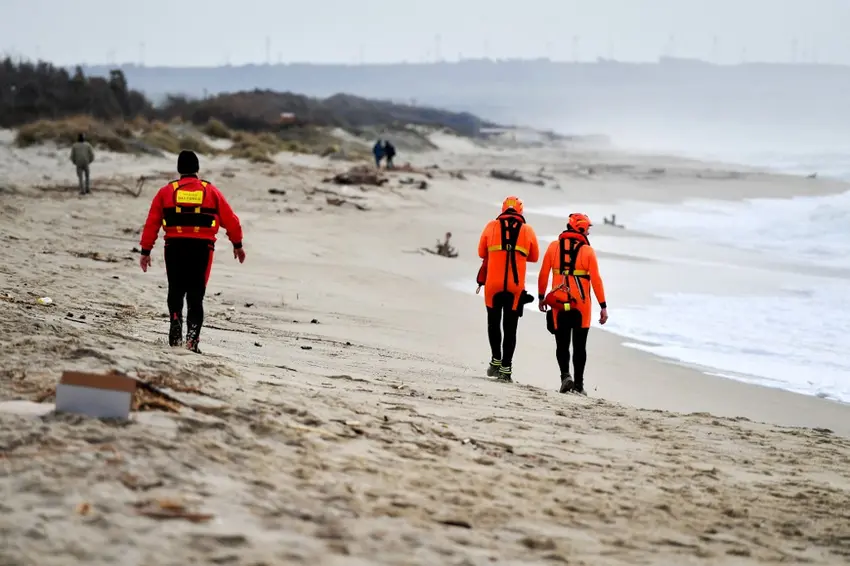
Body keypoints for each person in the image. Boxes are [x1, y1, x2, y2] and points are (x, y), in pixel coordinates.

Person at [138, 150, 246, 353]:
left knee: (176, 289)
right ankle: (192, 340)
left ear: (179, 169)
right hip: (202, 249)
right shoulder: (211, 192)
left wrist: (145, 250)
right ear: (197, 169)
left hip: (174, 247)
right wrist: (237, 244)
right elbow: (231, 221)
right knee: (196, 296)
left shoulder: (166, 192)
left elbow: (152, 223)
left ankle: (176, 319)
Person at [537, 213, 608, 395]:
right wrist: (603, 306)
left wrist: (541, 297)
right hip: (581, 306)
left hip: (558, 303)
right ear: (582, 229)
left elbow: (544, 274)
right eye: (588, 229)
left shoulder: (554, 247)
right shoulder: (588, 251)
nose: (589, 233)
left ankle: (565, 376)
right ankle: (579, 386)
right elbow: (596, 281)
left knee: (561, 343)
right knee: (579, 345)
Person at [477, 196, 539, 381]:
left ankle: (495, 361)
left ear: (503, 209)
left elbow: (481, 252)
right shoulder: (527, 229)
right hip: (515, 287)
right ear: (521, 211)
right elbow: (534, 257)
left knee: (493, 323)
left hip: (493, 285)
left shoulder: (491, 226)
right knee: (510, 328)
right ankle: (506, 369)